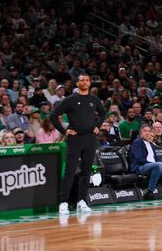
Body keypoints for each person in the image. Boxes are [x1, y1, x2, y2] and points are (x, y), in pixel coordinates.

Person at [51, 73, 105, 216]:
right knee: (70, 171)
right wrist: (64, 131)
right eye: (82, 80)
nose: (85, 82)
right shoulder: (70, 100)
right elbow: (53, 115)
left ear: (90, 83)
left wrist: (98, 125)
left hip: (90, 139)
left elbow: (103, 113)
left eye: (87, 80)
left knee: (86, 171)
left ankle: (82, 200)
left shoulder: (94, 99)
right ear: (77, 84)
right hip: (75, 139)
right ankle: (63, 202)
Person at [128, 124, 162, 200]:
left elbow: (155, 159)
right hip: (141, 167)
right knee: (159, 165)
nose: (147, 133)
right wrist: (158, 165)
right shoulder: (137, 142)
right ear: (140, 133)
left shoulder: (151, 144)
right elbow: (139, 159)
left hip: (155, 166)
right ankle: (150, 192)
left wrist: (161, 166)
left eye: (149, 131)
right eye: (145, 131)